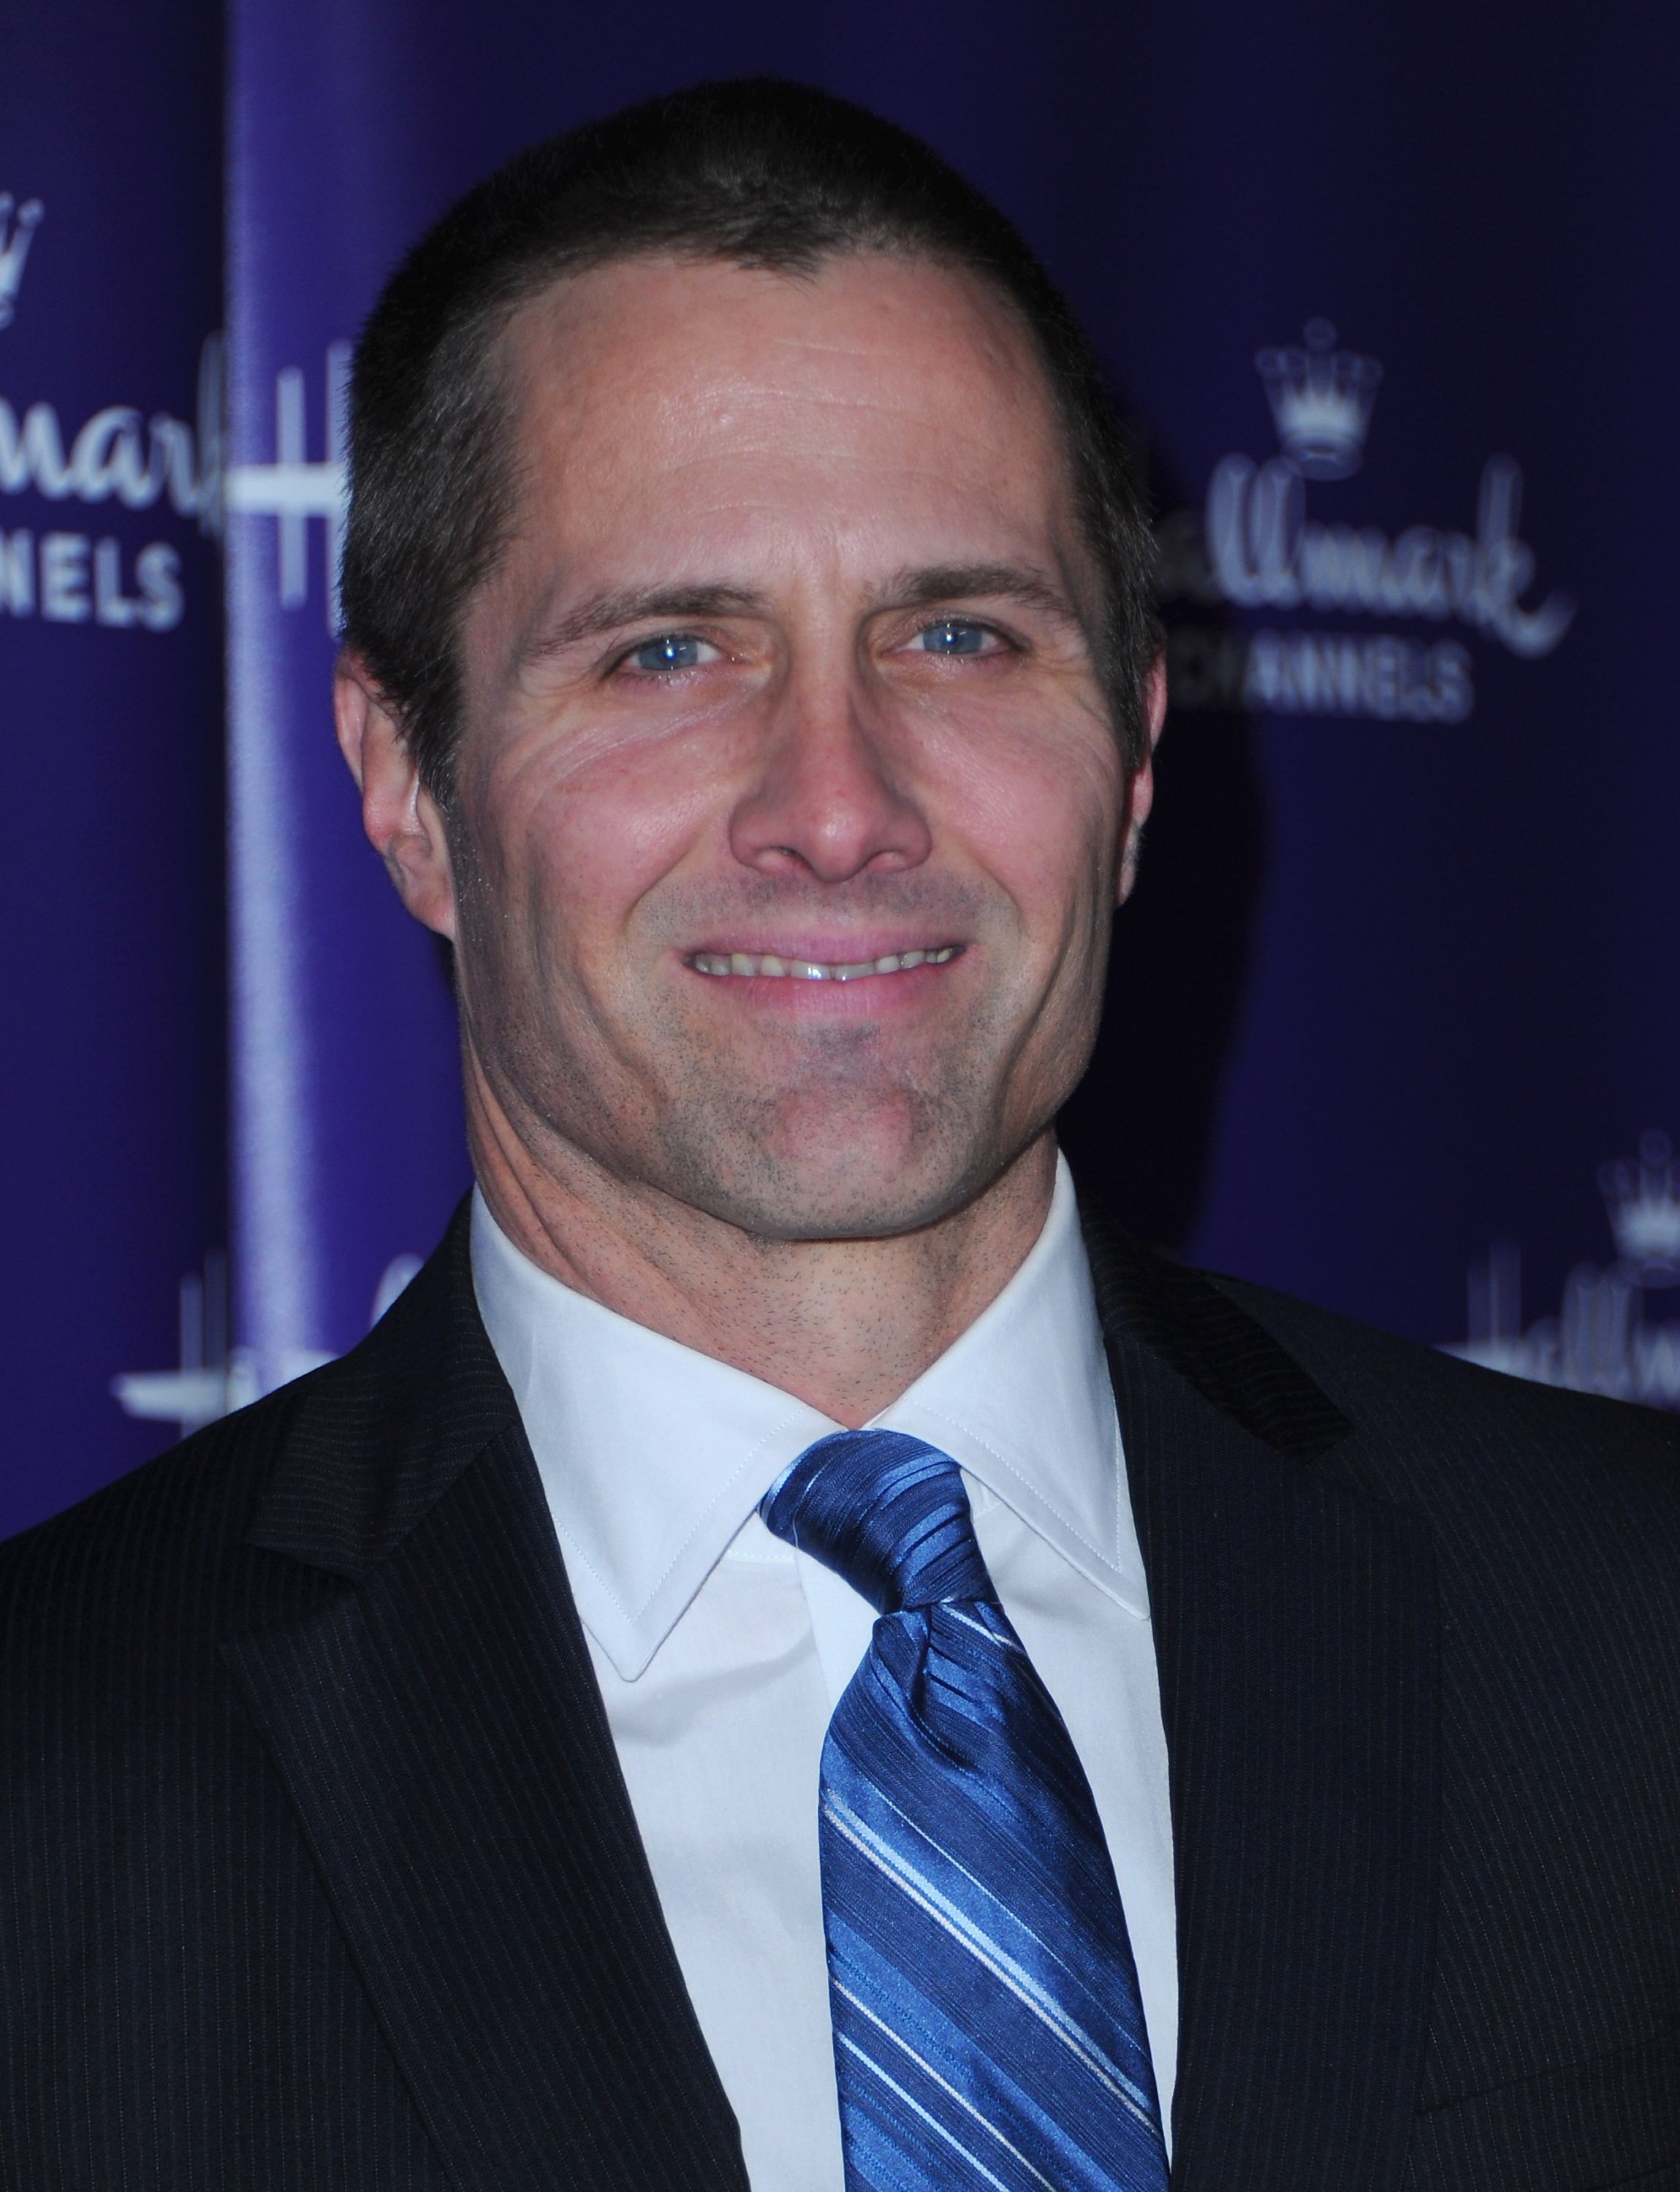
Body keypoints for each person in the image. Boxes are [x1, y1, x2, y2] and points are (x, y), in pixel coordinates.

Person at [3, 79, 1677, 2192]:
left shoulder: (1631, 1646)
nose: (836, 799)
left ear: (1137, 753)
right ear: (404, 777)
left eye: (959, 634)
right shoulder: (46, 1802)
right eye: (672, 650)